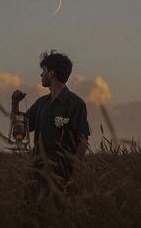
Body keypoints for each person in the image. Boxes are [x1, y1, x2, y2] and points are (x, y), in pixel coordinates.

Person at [11, 50, 91, 180]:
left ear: (51, 73)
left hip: (63, 177)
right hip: (37, 175)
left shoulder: (76, 104)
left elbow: (83, 142)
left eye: (44, 70)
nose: (41, 74)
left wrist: (74, 175)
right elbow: (19, 128)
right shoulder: (41, 104)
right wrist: (15, 103)